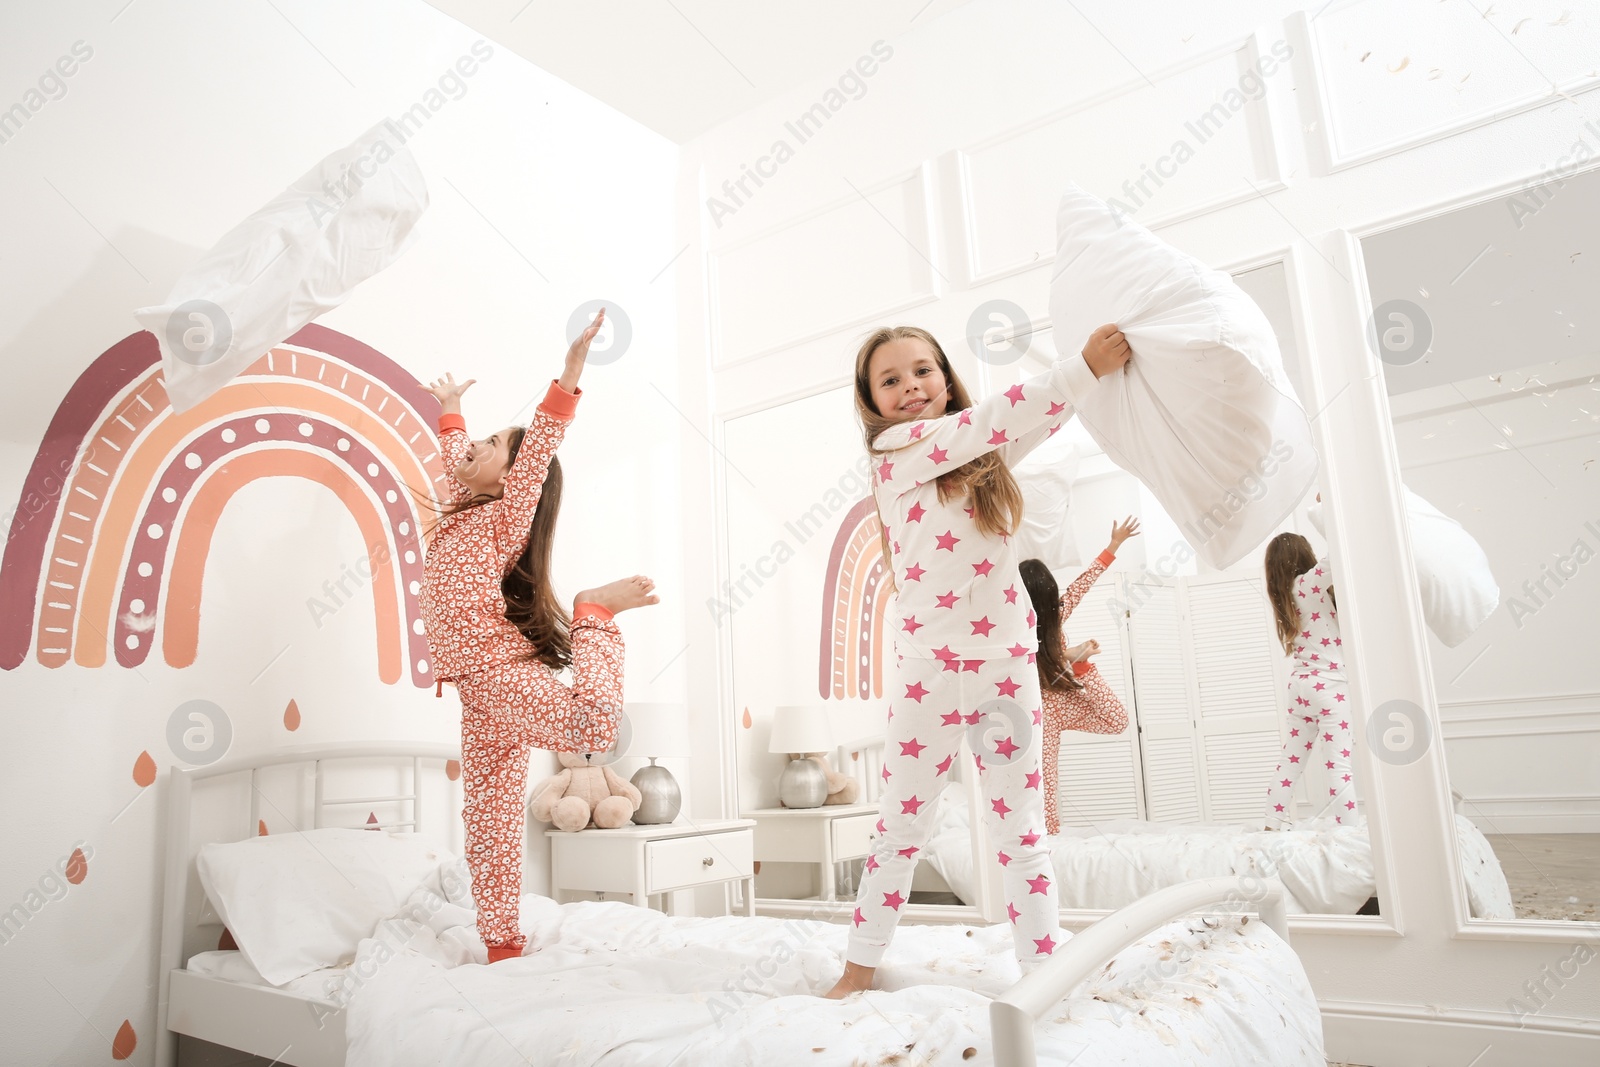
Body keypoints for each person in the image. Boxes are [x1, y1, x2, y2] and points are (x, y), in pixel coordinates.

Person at [824, 321, 1131, 998]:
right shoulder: (894, 452)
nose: (910, 387)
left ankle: (1045, 968)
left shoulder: (975, 455)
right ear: (871, 399)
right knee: (903, 822)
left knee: (1020, 826)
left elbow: (1025, 425)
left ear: (945, 375)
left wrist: (1090, 383)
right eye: (891, 379)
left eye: (922, 371)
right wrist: (1079, 365)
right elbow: (997, 418)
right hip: (928, 672)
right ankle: (857, 966)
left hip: (1004, 666)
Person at [420, 309, 659, 962]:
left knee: (594, 734)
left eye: (491, 444)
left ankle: (595, 614)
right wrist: (450, 411)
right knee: (490, 822)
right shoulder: (464, 505)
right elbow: (455, 456)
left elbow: (541, 442)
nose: (471, 451)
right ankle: (501, 940)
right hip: (477, 695)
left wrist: (572, 369)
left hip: (501, 674)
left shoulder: (505, 513)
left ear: (510, 476)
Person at [1020, 516, 1139, 837]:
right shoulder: (1014, 632)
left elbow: (1083, 583)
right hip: (1040, 710)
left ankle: (1049, 832)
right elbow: (1029, 665)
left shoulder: (1056, 614)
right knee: (1045, 776)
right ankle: (1049, 836)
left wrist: (1114, 545)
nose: (1053, 606)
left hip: (1061, 697)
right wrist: (1068, 656)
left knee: (1118, 721)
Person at [1262, 531, 1354, 829]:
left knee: (1291, 761)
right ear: (1303, 555)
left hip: (1300, 687)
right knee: (1339, 767)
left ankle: (1271, 825)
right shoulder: (1309, 584)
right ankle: (1350, 833)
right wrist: (1324, 504)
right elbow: (1339, 550)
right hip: (1329, 687)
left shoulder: (1282, 594)